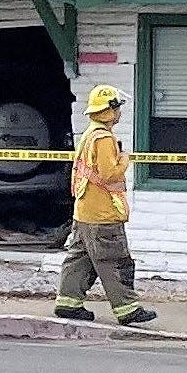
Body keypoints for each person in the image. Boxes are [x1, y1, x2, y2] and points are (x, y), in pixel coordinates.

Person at [54, 84, 157, 326]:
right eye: (118, 107)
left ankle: (68, 303)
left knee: (79, 259)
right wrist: (124, 160)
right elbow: (110, 174)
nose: (120, 111)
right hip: (102, 214)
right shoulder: (103, 138)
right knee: (113, 260)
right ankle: (128, 310)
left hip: (85, 211)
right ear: (110, 110)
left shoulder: (89, 134)